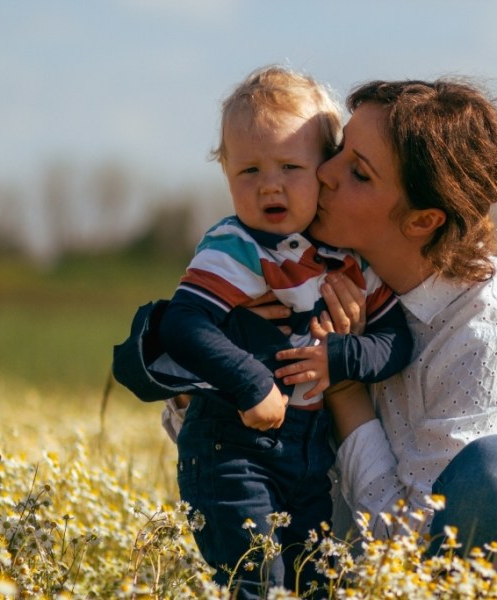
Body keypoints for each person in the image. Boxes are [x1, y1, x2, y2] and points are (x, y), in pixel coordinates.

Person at [272, 77, 497, 568]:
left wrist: (344, 390)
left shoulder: (491, 331)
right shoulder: (321, 275)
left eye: (359, 173)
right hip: (354, 570)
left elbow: (413, 545)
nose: (324, 172)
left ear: (422, 221)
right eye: (340, 148)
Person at [113, 66, 413, 598]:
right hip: (232, 446)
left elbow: (397, 341)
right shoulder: (233, 247)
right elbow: (184, 323)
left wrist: (339, 359)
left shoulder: (345, 258)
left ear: (325, 169)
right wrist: (251, 382)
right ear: (224, 172)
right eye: (248, 170)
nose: (269, 183)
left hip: (311, 455)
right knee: (254, 579)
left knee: (312, 578)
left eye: (290, 166)